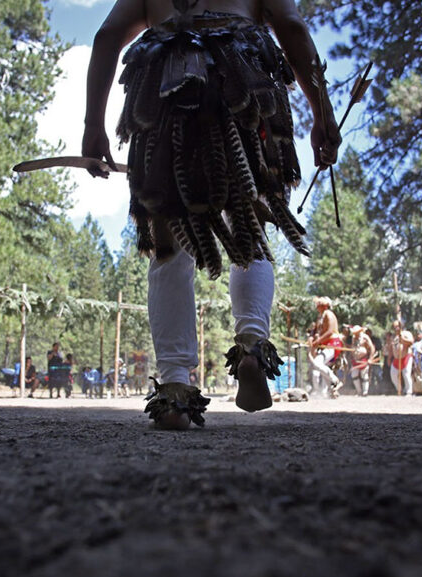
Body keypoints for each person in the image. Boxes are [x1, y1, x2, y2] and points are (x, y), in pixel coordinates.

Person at [82, 0, 341, 428]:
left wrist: (93, 124)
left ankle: (174, 388)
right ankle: (253, 347)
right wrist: (322, 111)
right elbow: (291, 26)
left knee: (168, 244)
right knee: (249, 228)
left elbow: (109, 36)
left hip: (165, 77)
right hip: (242, 72)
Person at [308, 297, 343, 398]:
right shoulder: (320, 316)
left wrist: (317, 341)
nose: (318, 306)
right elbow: (314, 331)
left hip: (333, 344)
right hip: (325, 345)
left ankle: (335, 381)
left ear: (325, 305)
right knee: (320, 366)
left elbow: (331, 331)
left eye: (320, 305)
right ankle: (332, 390)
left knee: (317, 363)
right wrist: (311, 338)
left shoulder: (329, 314)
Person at [349, 325, 375, 397]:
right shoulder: (354, 338)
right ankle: (359, 391)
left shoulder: (365, 337)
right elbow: (353, 347)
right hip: (355, 359)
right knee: (354, 374)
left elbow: (372, 347)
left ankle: (365, 392)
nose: (355, 334)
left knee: (364, 375)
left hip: (363, 358)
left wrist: (370, 358)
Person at [390, 320, 414, 396]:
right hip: (397, 358)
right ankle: (399, 389)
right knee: (393, 374)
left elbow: (411, 342)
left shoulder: (406, 333)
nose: (396, 328)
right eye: (394, 327)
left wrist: (402, 339)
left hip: (406, 356)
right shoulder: (393, 337)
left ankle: (409, 391)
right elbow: (392, 348)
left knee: (406, 374)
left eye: (397, 326)